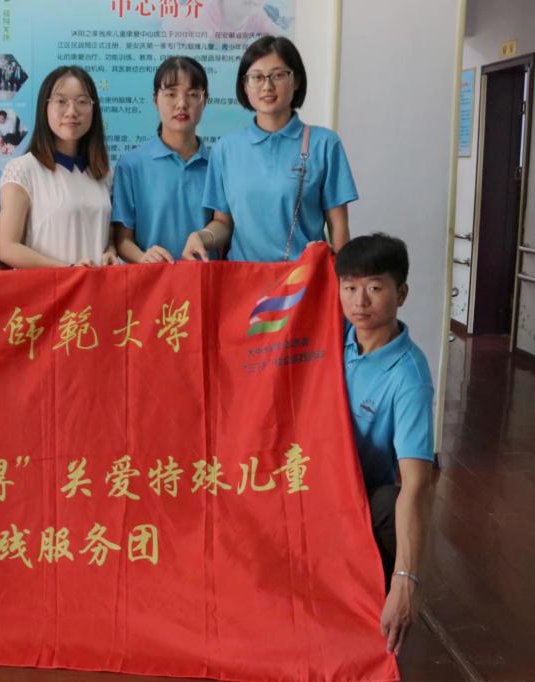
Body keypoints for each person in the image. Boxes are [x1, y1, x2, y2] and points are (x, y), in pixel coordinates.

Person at [336, 233, 434, 656]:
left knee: (392, 505)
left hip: (361, 496)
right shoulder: (332, 336)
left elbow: (417, 484)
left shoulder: (409, 376)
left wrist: (405, 581)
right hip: (310, 482)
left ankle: (374, 597)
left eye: (375, 288)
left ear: (402, 294)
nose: (360, 301)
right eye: (349, 287)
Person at [187, 35, 358, 262]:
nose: (267, 86)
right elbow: (223, 223)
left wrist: (343, 278)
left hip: (305, 277)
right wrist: (202, 237)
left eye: (278, 75)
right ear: (244, 85)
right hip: (244, 277)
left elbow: (338, 227)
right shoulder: (225, 149)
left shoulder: (324, 144)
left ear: (296, 81)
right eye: (256, 77)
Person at [0, 66, 115, 268]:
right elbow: (7, 248)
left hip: (96, 287)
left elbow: (107, 235)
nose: (72, 111)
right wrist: (68, 271)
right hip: (48, 287)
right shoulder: (22, 169)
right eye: (61, 101)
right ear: (45, 107)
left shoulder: (104, 172)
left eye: (82, 102)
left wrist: (111, 251)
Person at [113, 56, 212, 264]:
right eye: (171, 94)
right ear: (155, 100)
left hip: (206, 278)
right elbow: (122, 240)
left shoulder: (217, 165)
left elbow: (225, 229)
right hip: (152, 279)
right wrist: (143, 257)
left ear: (205, 101)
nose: (181, 104)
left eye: (192, 94)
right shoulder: (131, 165)